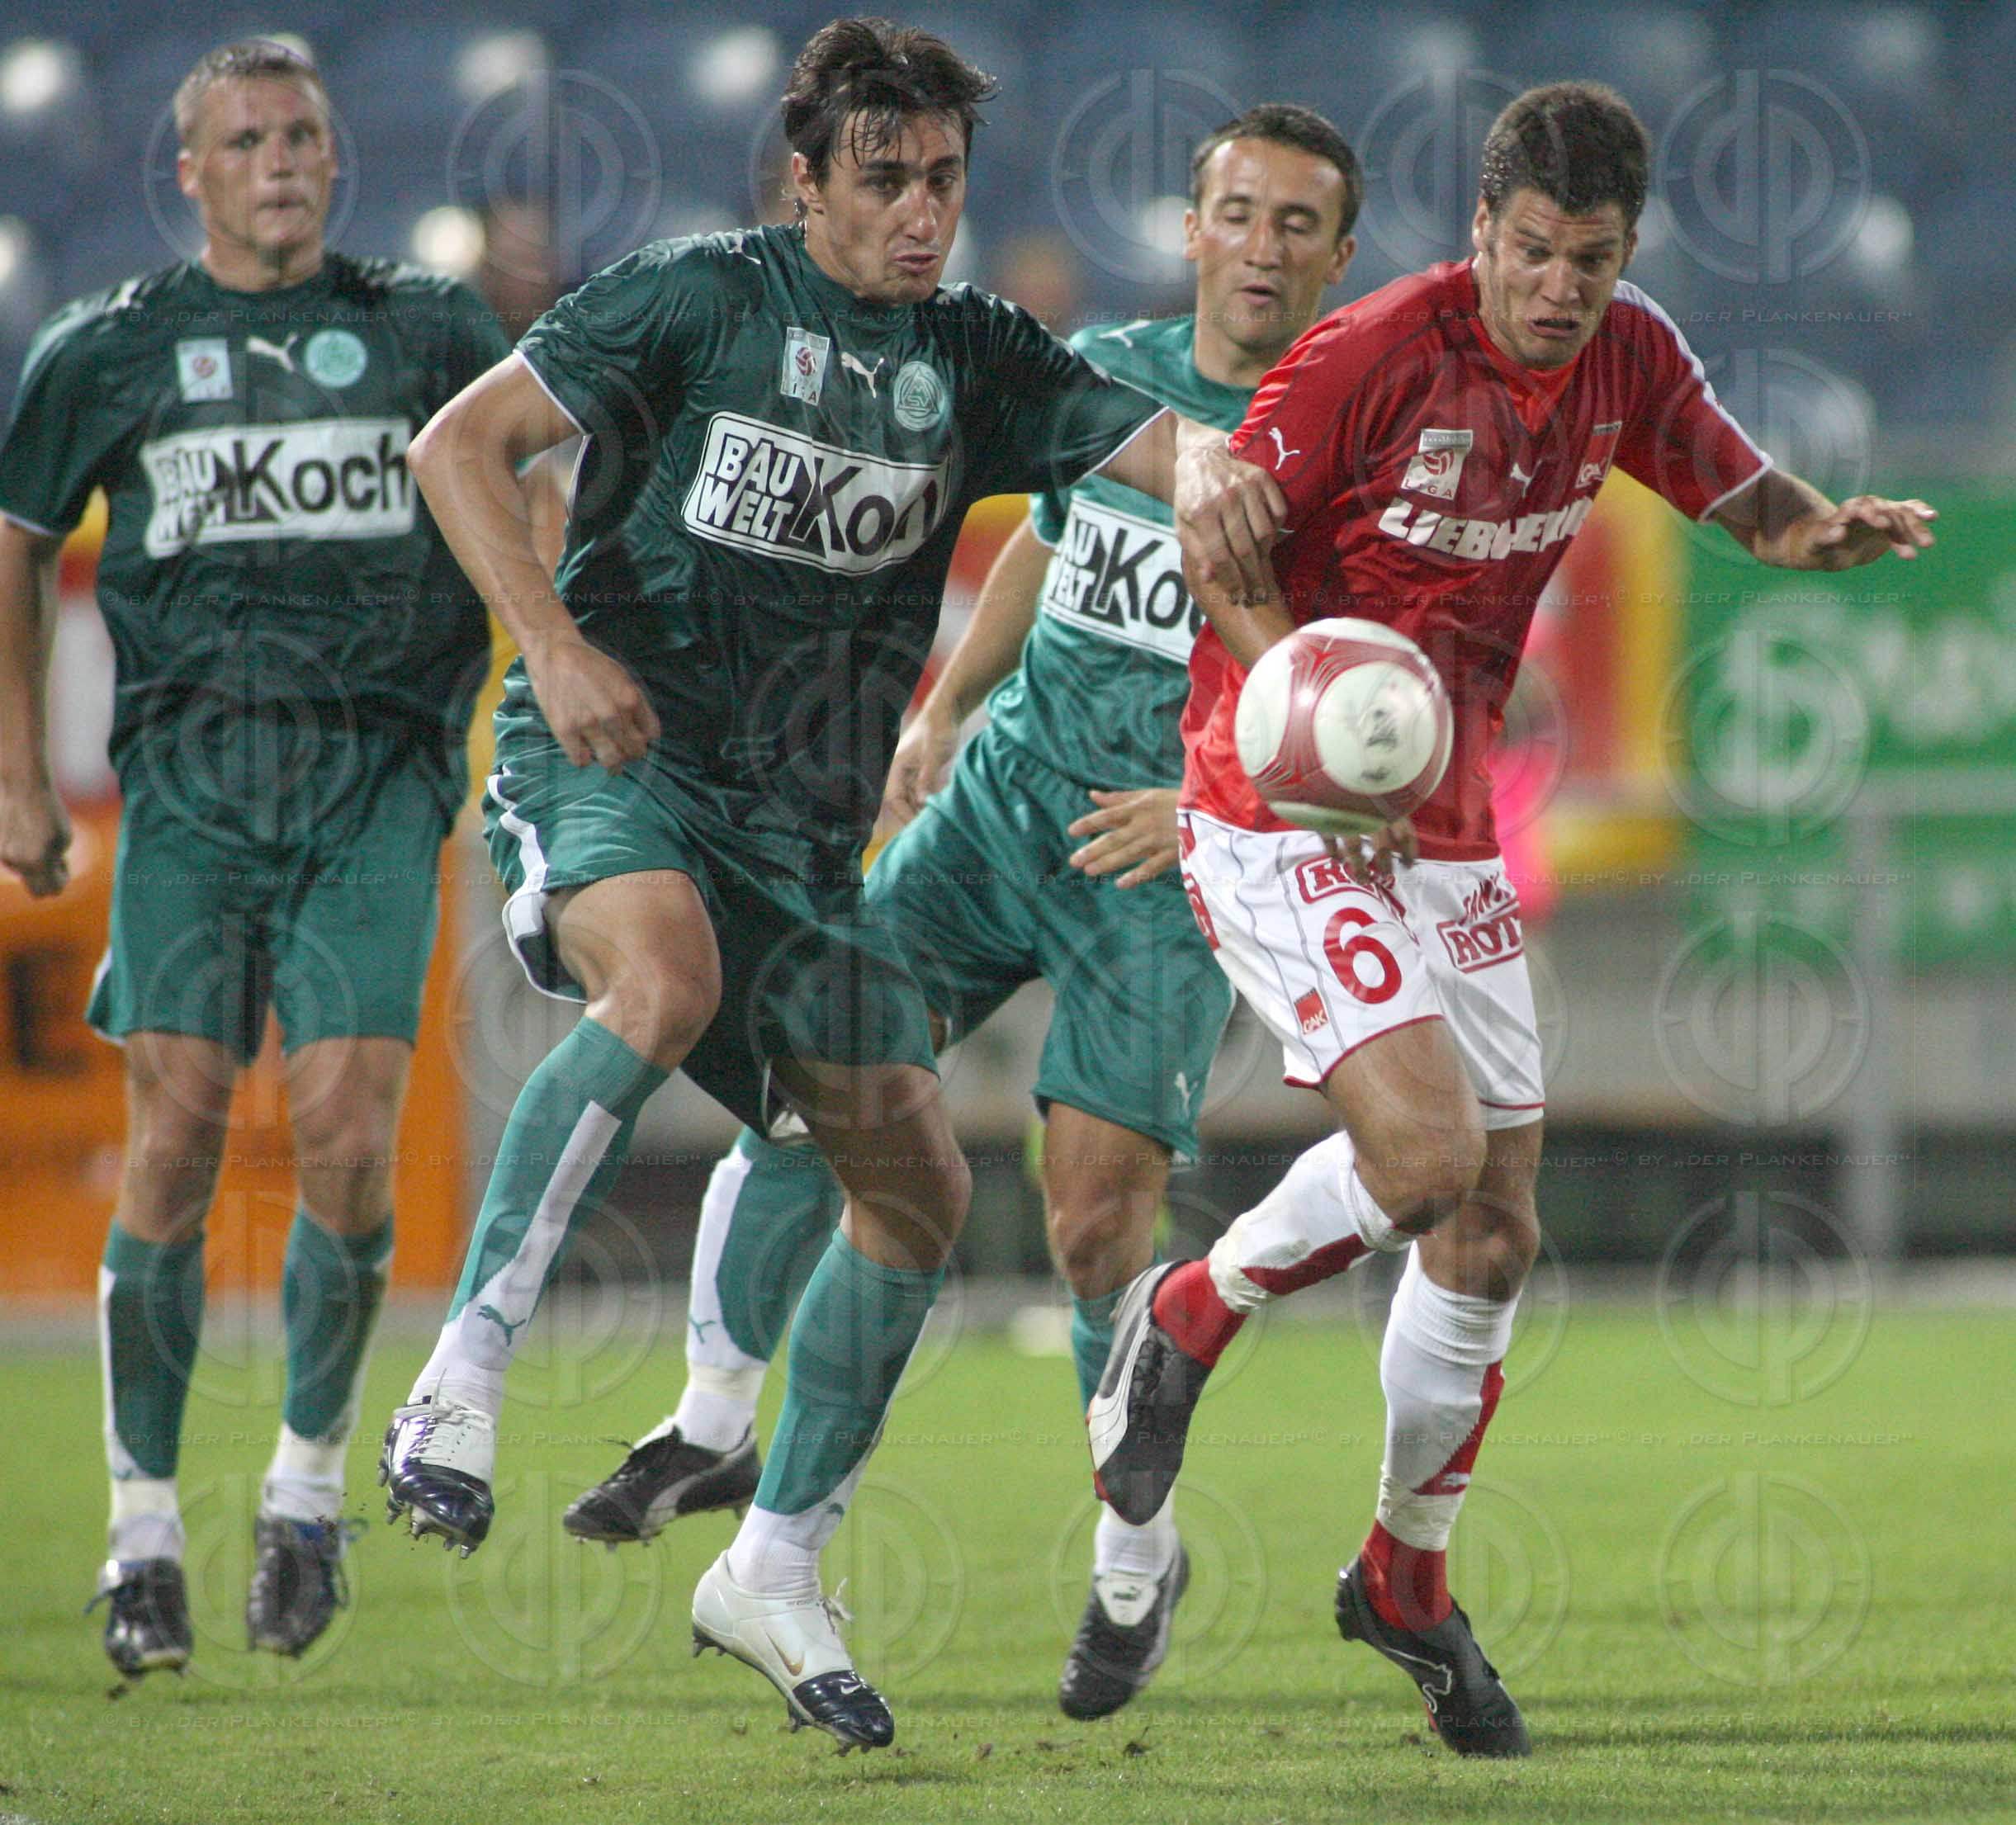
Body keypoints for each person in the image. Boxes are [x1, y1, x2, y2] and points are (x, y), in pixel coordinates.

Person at [375, 18, 1261, 1751]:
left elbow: (1154, 450)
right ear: (806, 182)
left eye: (945, 179)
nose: (921, 212)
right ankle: (459, 1379)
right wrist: (546, 647)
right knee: (665, 978)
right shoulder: (689, 301)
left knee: (917, 1185)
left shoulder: (978, 353)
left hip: (799, 843)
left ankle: (770, 1562)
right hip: (617, 758)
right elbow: (455, 448)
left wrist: (1218, 462)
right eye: (885, 180)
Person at [1091, 80, 1937, 1757]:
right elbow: (1217, 534)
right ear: (1481, 232)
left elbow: (1738, 491)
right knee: (1422, 1165)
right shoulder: (1370, 352)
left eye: (1594, 259)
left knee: (1489, 1231)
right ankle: (1186, 1308)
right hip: (1280, 806)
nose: (1561, 286)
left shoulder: (1628, 357)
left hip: (1453, 821)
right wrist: (1305, 688)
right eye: (1535, 251)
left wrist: (1816, 535)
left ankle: (1403, 1573)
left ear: (1628, 255)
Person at [560, 102, 1360, 1725]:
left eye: (1301, 224)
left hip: (1165, 862)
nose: (1265, 246)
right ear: (1193, 225)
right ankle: (717, 1413)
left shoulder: (1344, 433)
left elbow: (1350, 703)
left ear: (1341, 256)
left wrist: (1208, 807)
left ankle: (1132, 1549)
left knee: (1089, 1225)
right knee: (815, 1080)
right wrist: (945, 704)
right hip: (1004, 803)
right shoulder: (1110, 371)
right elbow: (1052, 552)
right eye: (1242, 213)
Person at [0, 40, 512, 1678]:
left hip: (375, 773)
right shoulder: (110, 349)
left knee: (353, 1134)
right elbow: (15, 546)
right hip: (194, 786)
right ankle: (140, 1525)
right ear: (190, 174)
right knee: (175, 1132)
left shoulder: (431, 332)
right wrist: (18, 773)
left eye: (305, 132)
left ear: (334, 160)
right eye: (249, 138)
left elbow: (530, 484)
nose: (284, 158)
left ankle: (302, 1488)